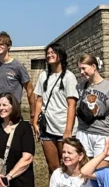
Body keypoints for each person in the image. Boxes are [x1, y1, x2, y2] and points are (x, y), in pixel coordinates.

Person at [32, 42, 79, 173]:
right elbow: (39, 100)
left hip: (63, 127)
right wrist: (35, 121)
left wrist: (68, 131)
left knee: (66, 165)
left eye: (53, 52)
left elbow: (72, 105)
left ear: (61, 55)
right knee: (52, 166)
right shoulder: (43, 75)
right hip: (47, 127)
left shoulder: (69, 77)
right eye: (48, 53)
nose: (49, 55)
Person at [75, 54, 109, 168]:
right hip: (83, 132)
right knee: (84, 171)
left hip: (103, 134)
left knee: (100, 174)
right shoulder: (79, 87)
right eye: (80, 69)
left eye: (84, 68)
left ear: (94, 66)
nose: (82, 72)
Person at [0, 31, 36, 118]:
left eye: (1, 44)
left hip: (12, 111)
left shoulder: (18, 66)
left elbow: (30, 90)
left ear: (8, 46)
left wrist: (33, 113)